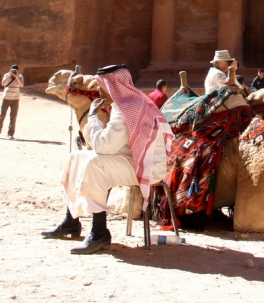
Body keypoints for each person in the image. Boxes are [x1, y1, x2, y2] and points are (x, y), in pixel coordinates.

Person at [41, 64, 173, 254]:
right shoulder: (125, 104)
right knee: (76, 157)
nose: (99, 90)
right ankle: (71, 221)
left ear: (112, 86)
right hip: (131, 159)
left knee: (95, 165)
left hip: (146, 166)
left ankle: (99, 232)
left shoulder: (126, 108)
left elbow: (103, 145)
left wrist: (92, 117)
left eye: (101, 86)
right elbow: (110, 143)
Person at [0, 64, 24, 139]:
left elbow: (21, 85)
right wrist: (9, 75)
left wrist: (16, 77)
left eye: (15, 70)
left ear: (17, 70)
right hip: (6, 98)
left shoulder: (20, 76)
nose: (13, 71)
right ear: (10, 69)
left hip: (15, 99)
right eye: (12, 70)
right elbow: (3, 83)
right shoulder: (6, 75)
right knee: (1, 115)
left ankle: (10, 134)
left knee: (13, 117)